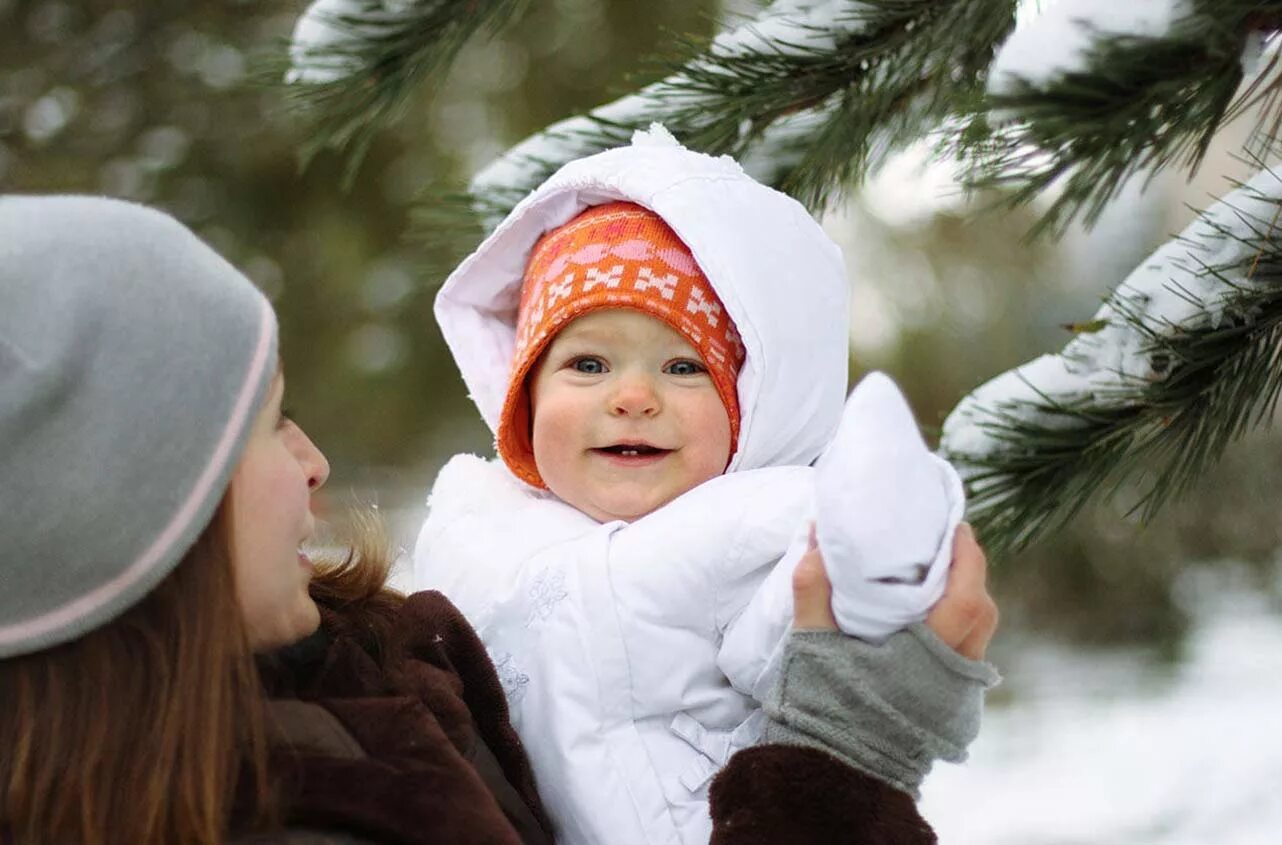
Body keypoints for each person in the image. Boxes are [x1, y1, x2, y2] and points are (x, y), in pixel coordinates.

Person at [0, 194, 996, 845]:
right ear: (131, 520)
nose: (315, 464)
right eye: (268, 427)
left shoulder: (366, 664)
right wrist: (844, 756)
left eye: (681, 366)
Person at [412, 126, 998, 844]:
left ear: (745, 408)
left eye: (684, 367)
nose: (632, 396)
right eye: (588, 364)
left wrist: (883, 553)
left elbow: (816, 620)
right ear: (522, 396)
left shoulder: (743, 524)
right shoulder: (474, 519)